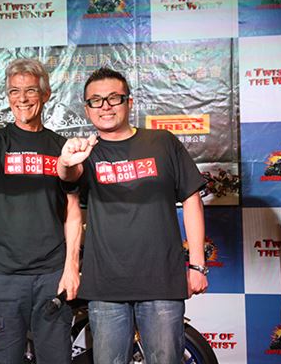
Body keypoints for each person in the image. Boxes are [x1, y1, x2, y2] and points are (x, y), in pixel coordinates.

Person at [57, 67, 208, 364]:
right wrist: (65, 161)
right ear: (87, 109)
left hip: (162, 281)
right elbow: (68, 177)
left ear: (129, 102)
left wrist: (197, 265)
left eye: (114, 98)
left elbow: (192, 200)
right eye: (96, 100)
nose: (105, 106)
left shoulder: (162, 142)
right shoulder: (85, 153)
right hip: (106, 286)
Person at [0, 58, 82, 364]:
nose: (22, 98)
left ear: (45, 94)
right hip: (4, 275)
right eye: (14, 91)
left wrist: (71, 267)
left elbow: (73, 211)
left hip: (52, 273)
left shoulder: (60, 146)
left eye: (30, 90)